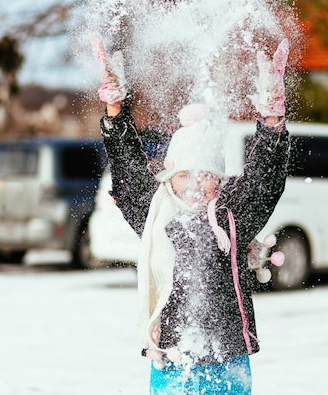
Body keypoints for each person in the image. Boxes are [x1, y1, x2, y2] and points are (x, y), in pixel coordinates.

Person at [90, 34, 290, 394]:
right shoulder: (157, 215)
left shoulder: (232, 217)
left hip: (227, 359)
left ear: (219, 179)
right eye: (184, 175)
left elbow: (265, 178)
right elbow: (129, 171)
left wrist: (272, 121)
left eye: (205, 175)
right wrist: (116, 111)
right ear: (171, 178)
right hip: (172, 357)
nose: (195, 185)